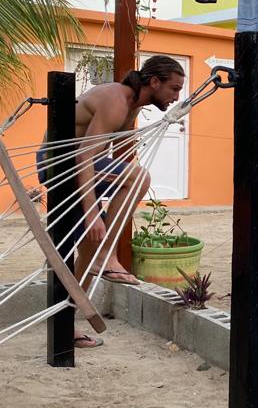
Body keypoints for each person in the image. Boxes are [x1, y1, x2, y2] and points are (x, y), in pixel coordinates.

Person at [38, 55, 185, 347]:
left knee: (88, 250)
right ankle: (107, 253)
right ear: (154, 82)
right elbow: (84, 157)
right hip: (57, 163)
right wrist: (94, 215)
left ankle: (67, 323)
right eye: (174, 89)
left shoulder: (132, 107)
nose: (176, 97)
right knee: (138, 178)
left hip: (81, 165)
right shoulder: (116, 101)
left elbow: (110, 156)